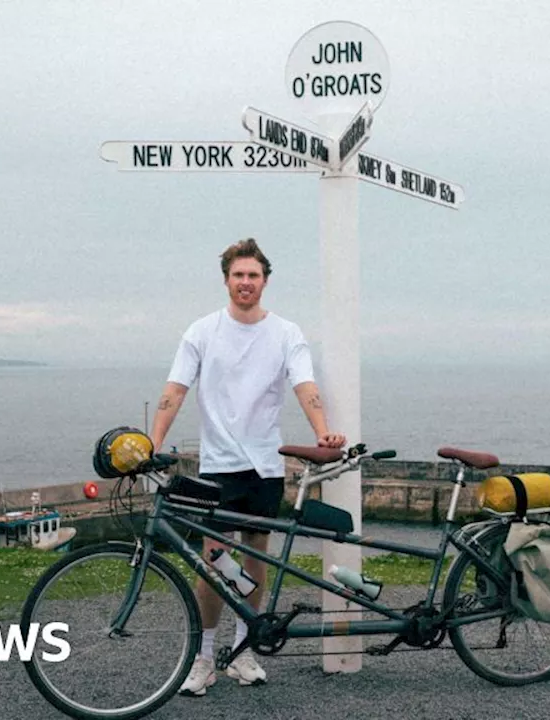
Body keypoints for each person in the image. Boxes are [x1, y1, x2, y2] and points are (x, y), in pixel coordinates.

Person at [149, 237, 346, 697]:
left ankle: (243, 651)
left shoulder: (285, 333)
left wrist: (323, 430)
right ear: (226, 280)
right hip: (218, 467)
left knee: (256, 558)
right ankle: (203, 659)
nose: (245, 283)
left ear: (265, 281)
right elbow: (175, 389)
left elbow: (305, 385)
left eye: (253, 275)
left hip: (265, 464)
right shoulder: (201, 331)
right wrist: (153, 442)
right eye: (238, 275)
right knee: (213, 563)